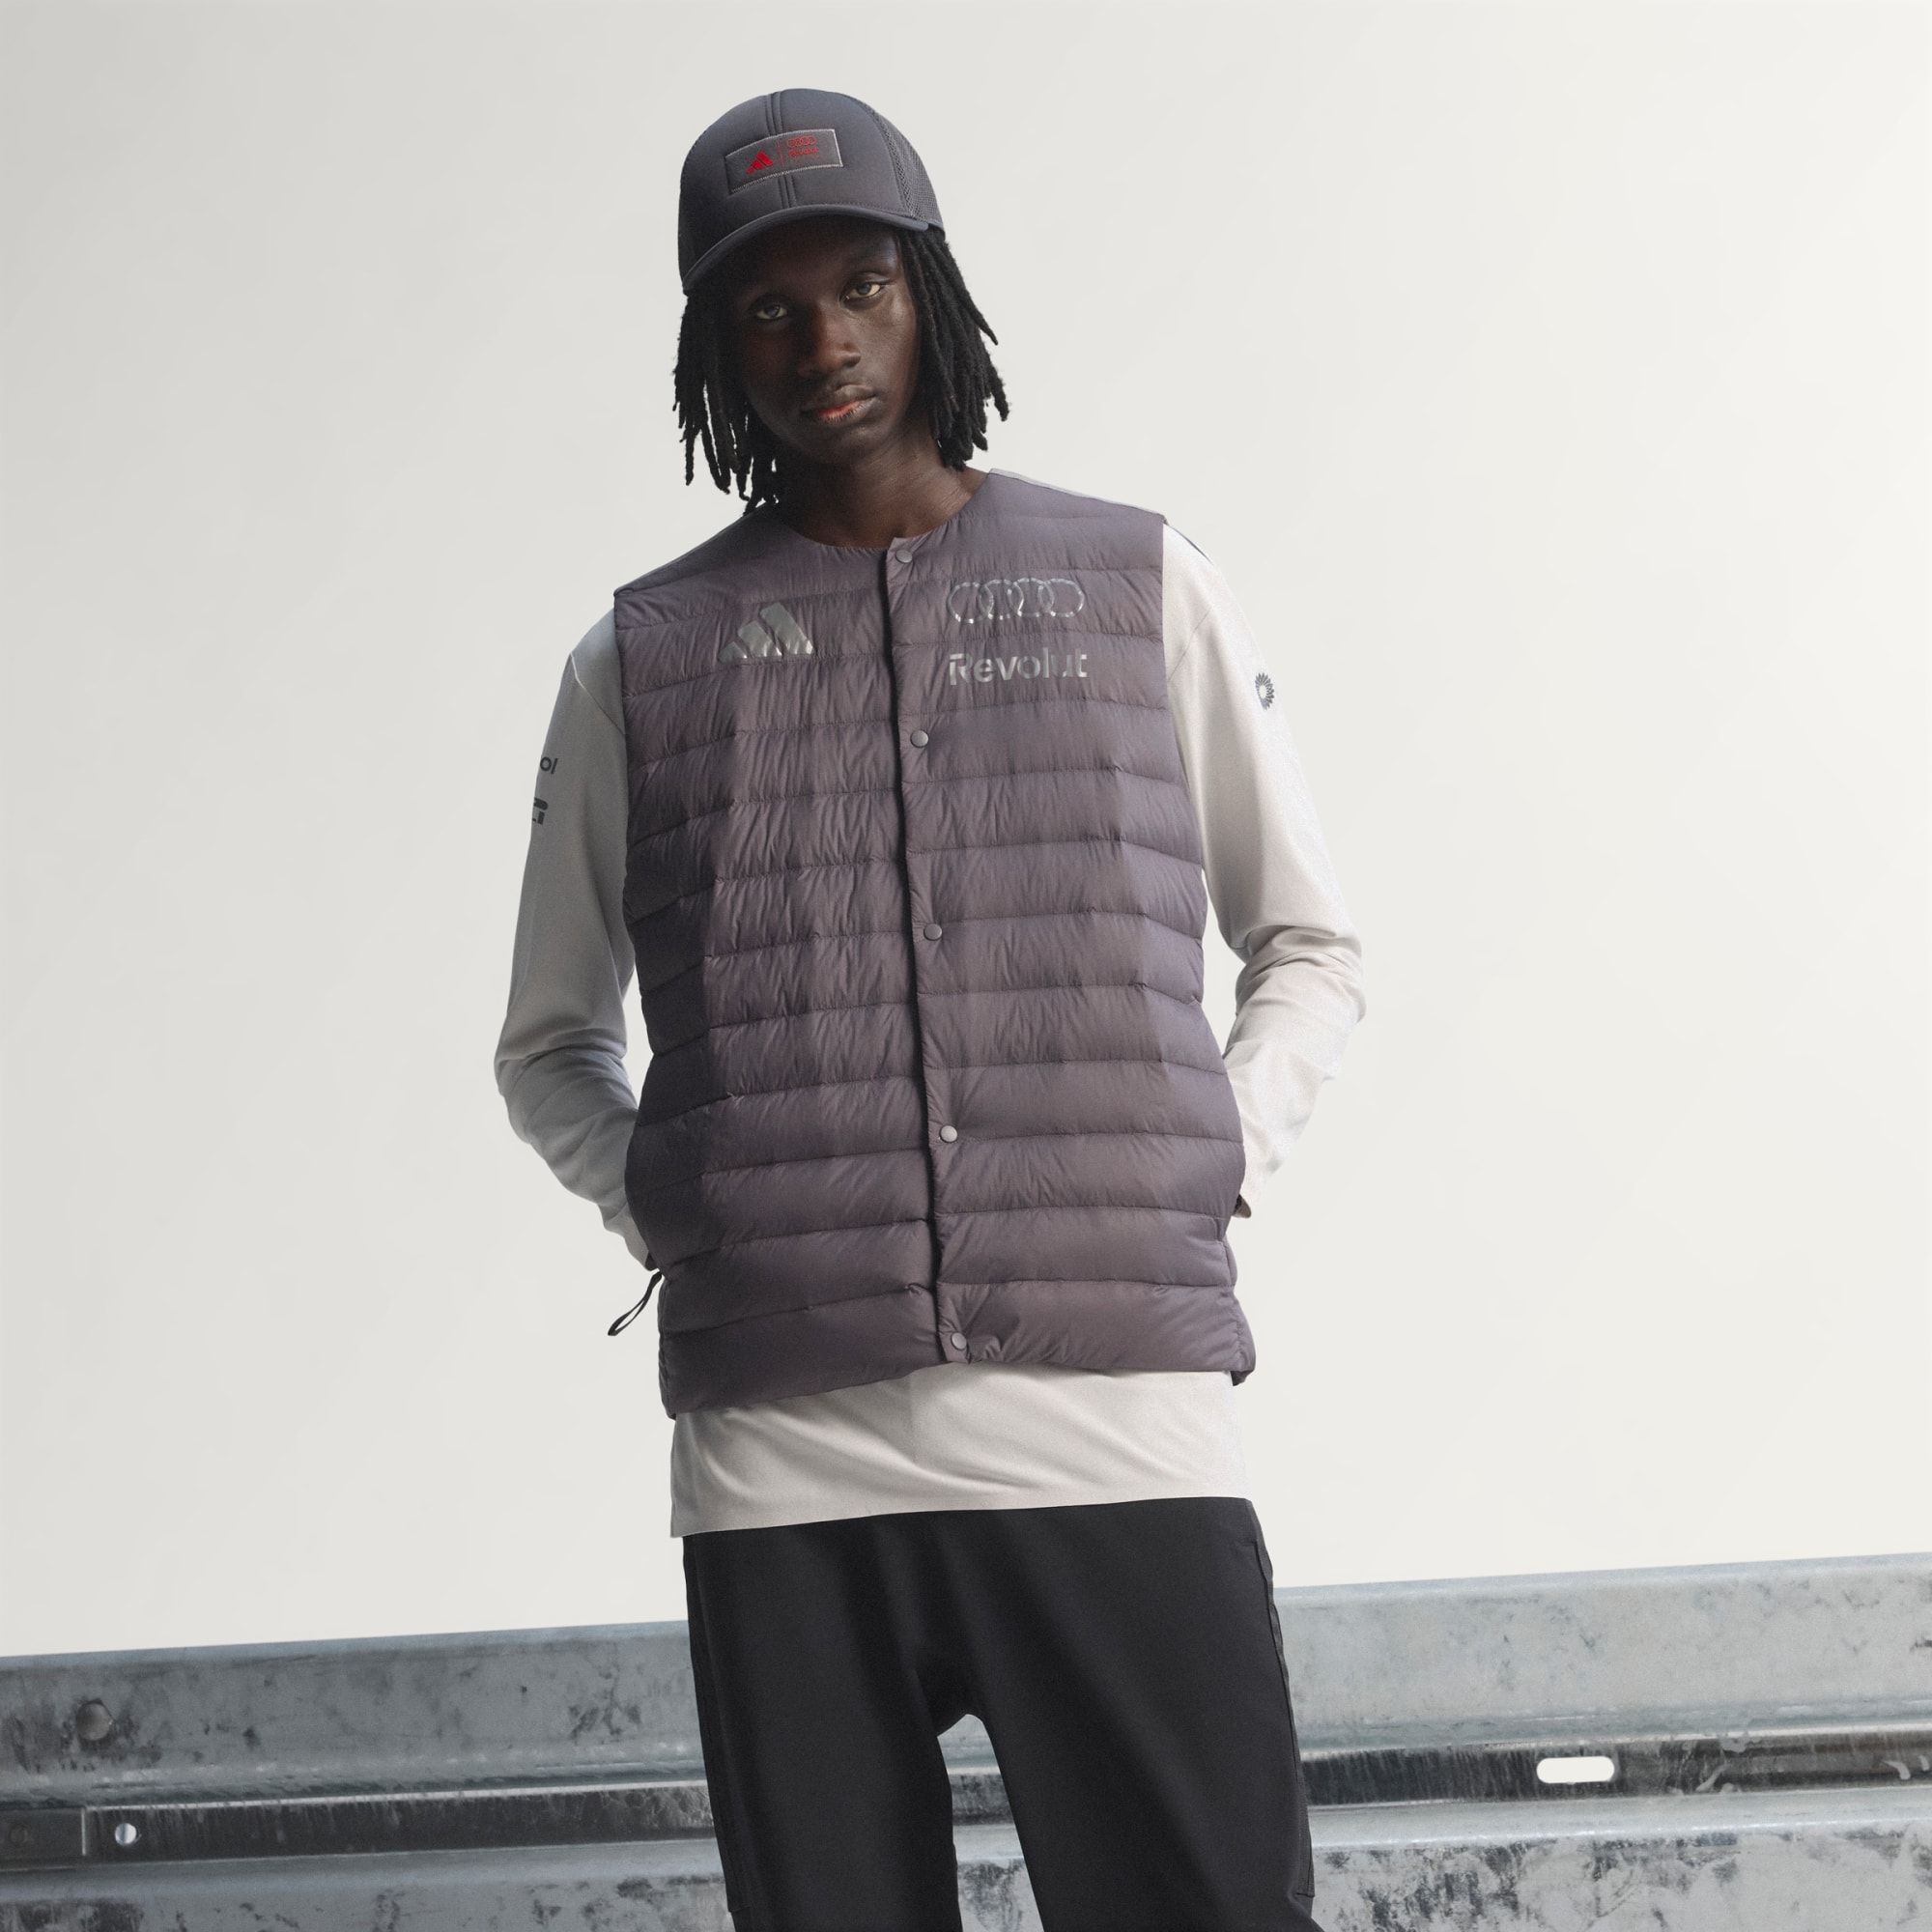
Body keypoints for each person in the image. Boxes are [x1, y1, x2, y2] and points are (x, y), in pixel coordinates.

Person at [495, 88, 1365, 1932]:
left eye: (862, 287)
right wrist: (680, 1206)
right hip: (787, 1469)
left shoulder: (1140, 584)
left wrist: (1210, 1153)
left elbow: (1307, 942)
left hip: (1113, 1427)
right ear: (715, 347)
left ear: (931, 295)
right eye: (768, 308)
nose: (822, 341)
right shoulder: (638, 661)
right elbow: (549, 1042)